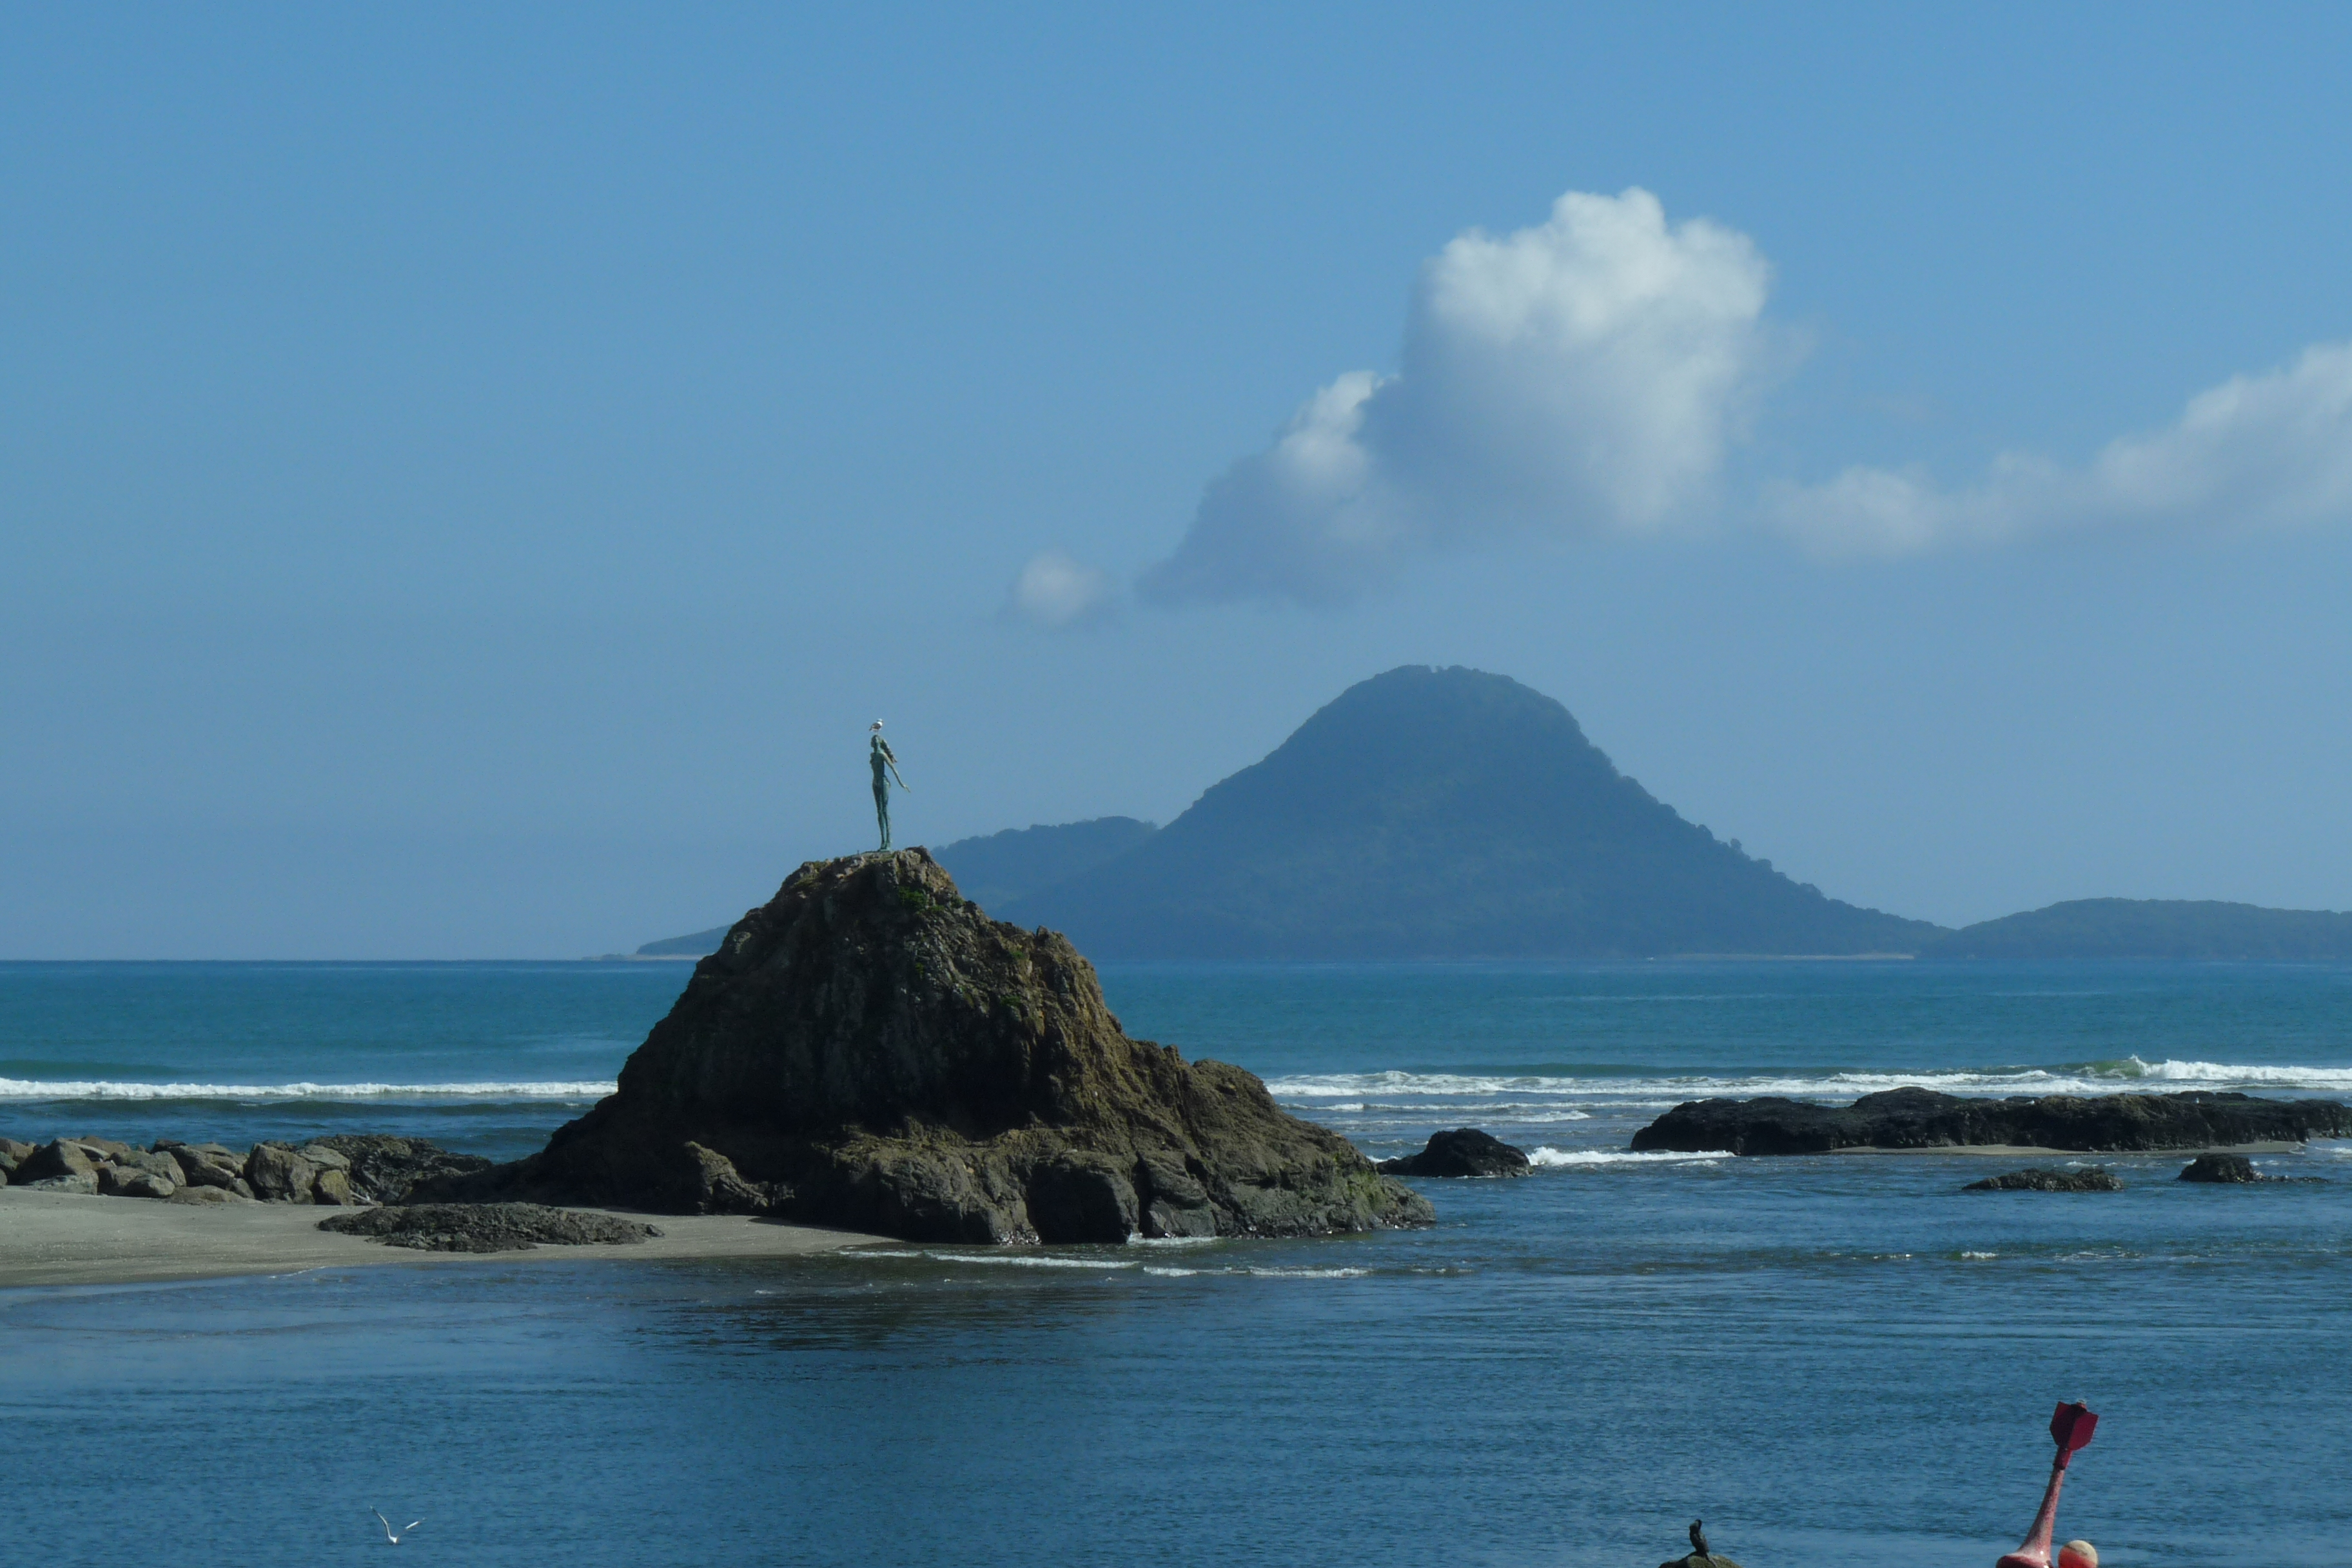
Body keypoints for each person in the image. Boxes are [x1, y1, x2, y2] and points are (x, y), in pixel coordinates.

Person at [868, 721, 908, 850]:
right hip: (875, 783)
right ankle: (883, 841)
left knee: (885, 811)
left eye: (874, 740)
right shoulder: (873, 755)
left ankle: (888, 842)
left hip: (884, 782)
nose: (872, 742)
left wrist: (901, 783)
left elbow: (893, 769)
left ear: (878, 742)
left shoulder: (881, 755)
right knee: (879, 812)